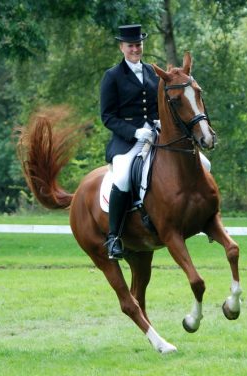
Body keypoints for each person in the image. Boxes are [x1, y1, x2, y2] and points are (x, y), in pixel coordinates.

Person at [100, 24, 159, 260]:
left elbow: (160, 106)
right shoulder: (112, 76)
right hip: (127, 141)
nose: (135, 49)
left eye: (138, 44)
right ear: (122, 47)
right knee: (123, 177)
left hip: (157, 136)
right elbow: (107, 116)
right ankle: (114, 236)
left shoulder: (153, 72)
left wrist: (159, 124)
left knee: (201, 163)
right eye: (131, 45)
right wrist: (135, 132)